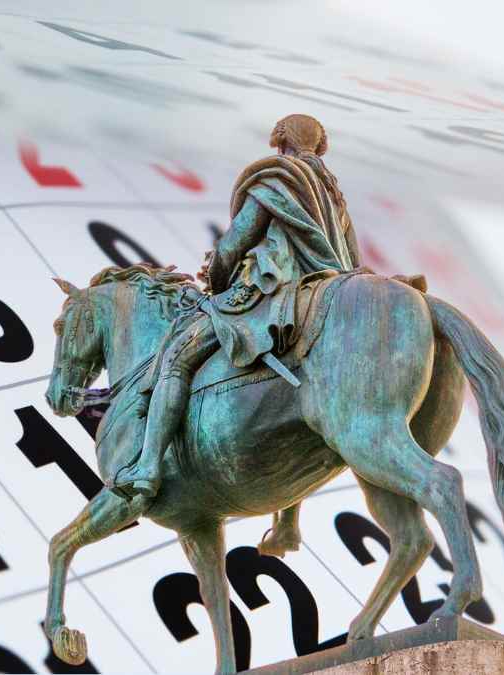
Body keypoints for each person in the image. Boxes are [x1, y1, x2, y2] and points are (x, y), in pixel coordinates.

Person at [112, 113, 362, 499]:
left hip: (272, 290)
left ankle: (147, 465)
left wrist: (215, 274)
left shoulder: (277, 178)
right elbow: (353, 260)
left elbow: (236, 241)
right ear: (319, 145)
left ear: (281, 142)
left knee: (176, 358)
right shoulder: (334, 193)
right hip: (326, 290)